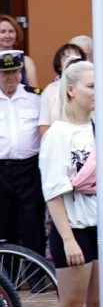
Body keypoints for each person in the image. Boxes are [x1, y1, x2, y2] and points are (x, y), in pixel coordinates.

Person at [38, 60, 103, 307]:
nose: (97, 92)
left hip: (100, 228)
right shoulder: (58, 134)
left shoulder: (101, 130)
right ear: (72, 89)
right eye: (91, 86)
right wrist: (67, 239)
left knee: (99, 306)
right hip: (73, 230)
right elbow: (53, 191)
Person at [0, 49, 45, 256]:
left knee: (32, 222)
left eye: (15, 72)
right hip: (1, 170)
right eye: (5, 73)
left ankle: (36, 270)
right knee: (3, 223)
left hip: (29, 168)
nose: (11, 77)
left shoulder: (35, 96)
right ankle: (7, 271)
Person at [38, 42, 88, 137]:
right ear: (59, 65)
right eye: (67, 57)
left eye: (77, 57)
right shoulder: (50, 90)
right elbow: (43, 124)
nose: (72, 61)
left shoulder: (90, 87)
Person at [0, 14, 37, 87]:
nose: (7, 36)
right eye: (2, 32)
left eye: (11, 31)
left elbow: (33, 90)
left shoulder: (26, 61)